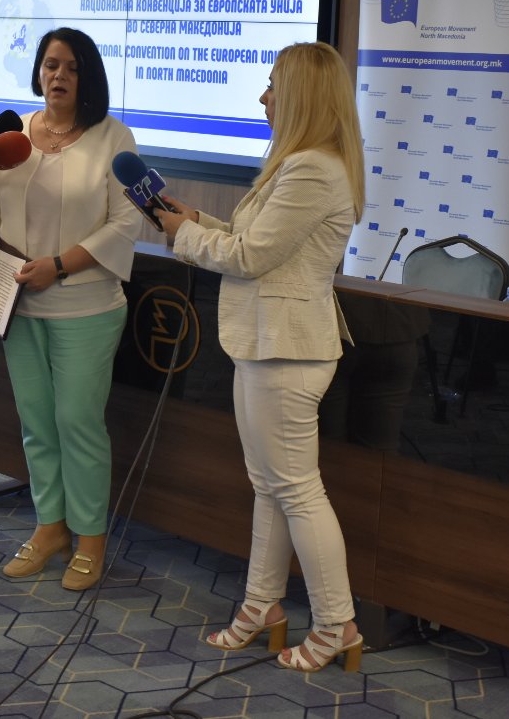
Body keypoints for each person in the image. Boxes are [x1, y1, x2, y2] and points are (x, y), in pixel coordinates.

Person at [156, 41, 366, 672]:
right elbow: (257, 241)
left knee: (297, 490)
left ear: (301, 95)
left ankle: (337, 624)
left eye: (273, 85)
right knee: (270, 486)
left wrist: (184, 236)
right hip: (267, 345)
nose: (263, 96)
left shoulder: (312, 169)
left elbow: (251, 258)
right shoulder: (298, 163)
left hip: (288, 351)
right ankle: (261, 607)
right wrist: (198, 220)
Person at [0, 27, 143, 590]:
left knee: (77, 422)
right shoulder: (9, 136)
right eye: (49, 64)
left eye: (70, 67)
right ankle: (50, 528)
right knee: (37, 423)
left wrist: (60, 266)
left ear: (87, 76)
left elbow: (126, 222)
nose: (58, 75)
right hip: (18, 305)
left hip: (87, 304)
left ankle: (90, 537)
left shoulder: (113, 136)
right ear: (37, 71)